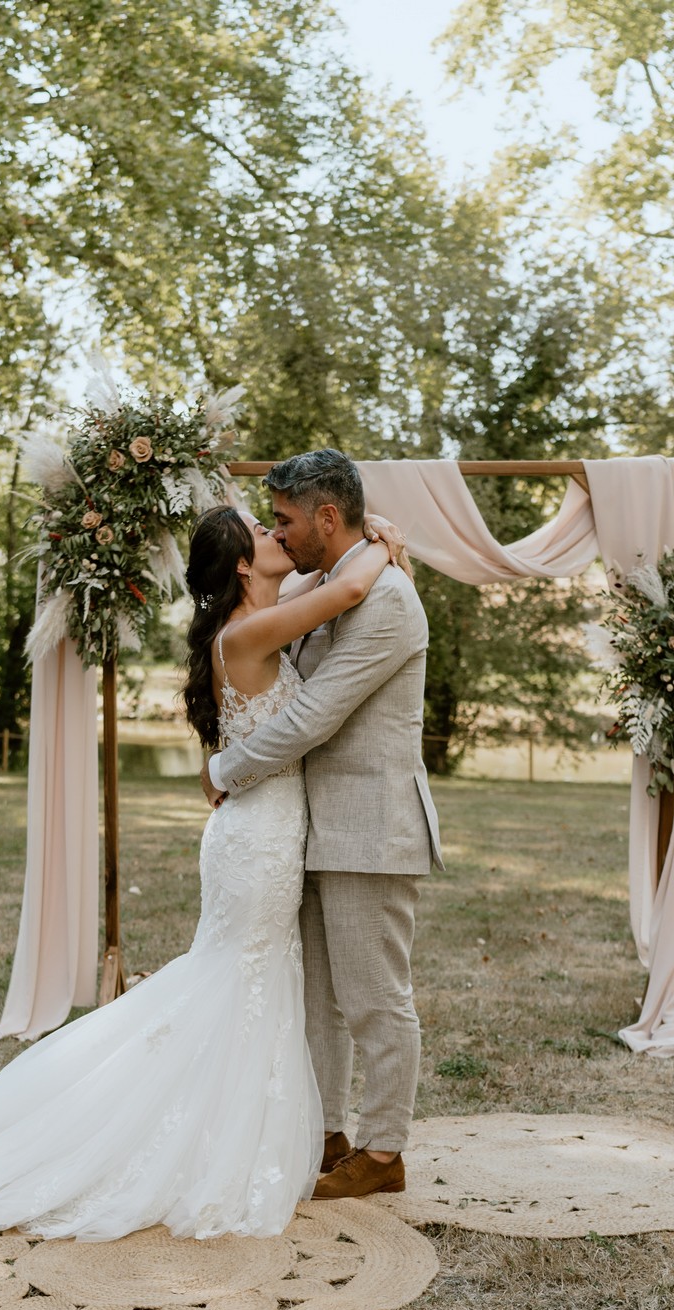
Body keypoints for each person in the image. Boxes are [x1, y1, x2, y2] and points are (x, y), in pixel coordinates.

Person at [0, 504, 403, 1243]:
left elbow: (308, 632)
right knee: (233, 981)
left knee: (244, 981)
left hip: (265, 831)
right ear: (243, 567)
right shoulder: (248, 631)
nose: (276, 535)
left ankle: (224, 1129)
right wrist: (384, 541)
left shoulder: (261, 621)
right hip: (256, 841)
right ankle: (152, 1131)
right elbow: (345, 593)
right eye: (261, 533)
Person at [202, 449, 443, 1200]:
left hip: (371, 826)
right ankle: (328, 1131)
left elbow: (310, 714)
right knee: (317, 1000)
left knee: (375, 996)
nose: (280, 533)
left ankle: (383, 1150)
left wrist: (224, 769)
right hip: (305, 830)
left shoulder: (390, 602)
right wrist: (379, 539)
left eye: (285, 520)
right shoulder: (318, 581)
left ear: (327, 517)